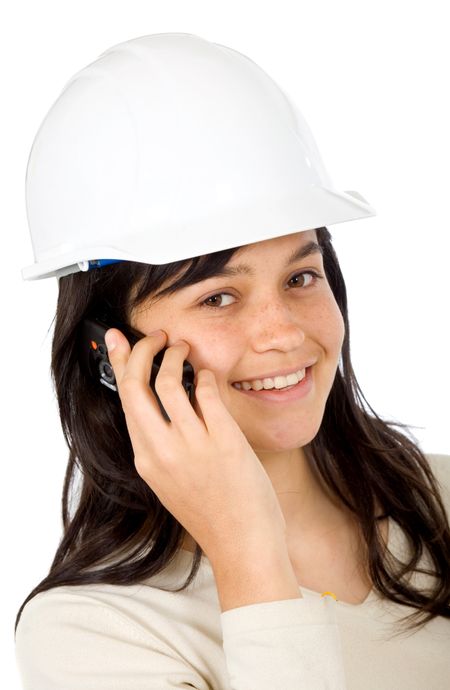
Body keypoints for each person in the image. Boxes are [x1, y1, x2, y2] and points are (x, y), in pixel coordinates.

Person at [15, 33, 450, 690]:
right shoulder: (91, 632)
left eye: (301, 277)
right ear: (110, 351)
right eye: (219, 296)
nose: (283, 334)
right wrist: (250, 554)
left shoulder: (439, 501)